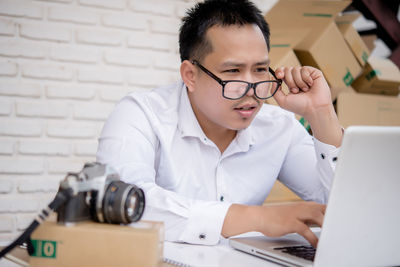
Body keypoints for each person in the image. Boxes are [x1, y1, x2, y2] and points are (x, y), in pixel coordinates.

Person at [96, 0, 343, 248]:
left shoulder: (279, 127)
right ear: (190, 75)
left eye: (260, 69)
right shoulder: (141, 114)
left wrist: (321, 114)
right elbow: (121, 202)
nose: (251, 90)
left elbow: (343, 206)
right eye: (233, 71)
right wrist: (256, 218)